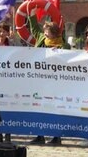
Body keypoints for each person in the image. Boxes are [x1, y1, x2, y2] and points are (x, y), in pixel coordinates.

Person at [27, 12, 70, 145]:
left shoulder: (62, 45)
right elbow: (34, 28)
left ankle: (57, 136)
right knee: (39, 106)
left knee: (55, 108)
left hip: (55, 82)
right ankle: (39, 135)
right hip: (40, 81)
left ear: (55, 33)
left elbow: (68, 56)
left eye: (48, 31)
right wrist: (32, 15)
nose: (45, 33)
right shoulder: (41, 39)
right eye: (45, 31)